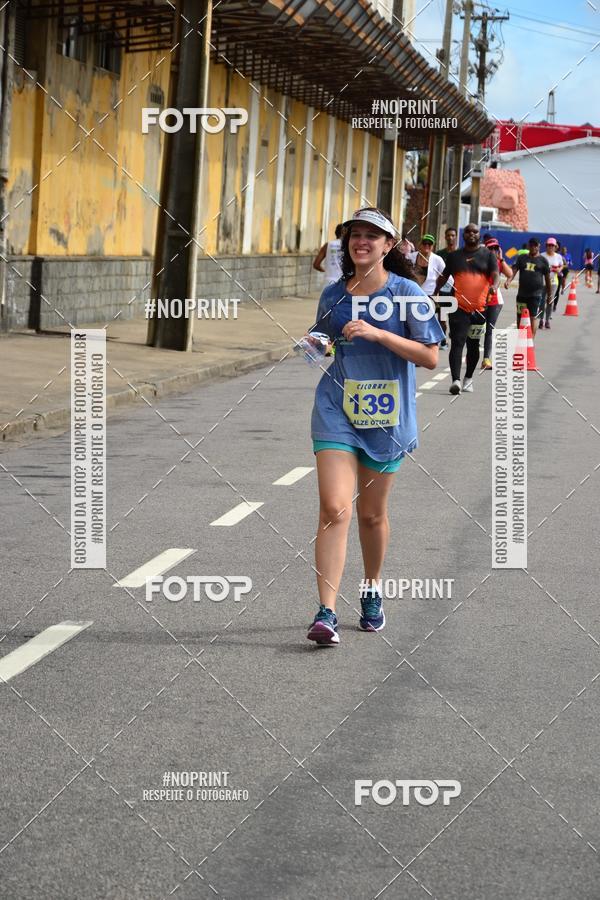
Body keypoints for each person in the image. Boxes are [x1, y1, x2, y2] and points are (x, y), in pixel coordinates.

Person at [305, 207, 444, 645]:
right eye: (354, 235)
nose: (360, 241)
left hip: (386, 416)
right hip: (337, 408)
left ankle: (371, 589)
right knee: (334, 508)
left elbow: (429, 356)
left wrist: (379, 334)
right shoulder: (333, 295)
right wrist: (315, 343)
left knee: (371, 514)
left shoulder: (408, 294)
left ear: (389, 245)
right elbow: (324, 340)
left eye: (372, 235)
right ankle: (326, 612)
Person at [434, 223, 498, 395]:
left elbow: (495, 274)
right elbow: (444, 276)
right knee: (457, 343)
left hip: (480, 310)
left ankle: (468, 378)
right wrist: (434, 294)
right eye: (468, 232)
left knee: (473, 345)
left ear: (479, 234)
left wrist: (495, 286)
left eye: (475, 232)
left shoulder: (488, 255)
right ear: (464, 235)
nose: (471, 234)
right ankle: (455, 380)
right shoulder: (455, 256)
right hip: (459, 308)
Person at [506, 237, 552, 338]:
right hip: (522, 294)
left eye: (535, 245)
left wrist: (549, 295)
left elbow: (548, 280)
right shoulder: (522, 258)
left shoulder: (543, 261)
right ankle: (520, 339)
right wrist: (509, 280)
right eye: (531, 245)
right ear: (528, 246)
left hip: (536, 295)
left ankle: (530, 342)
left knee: (532, 318)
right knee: (520, 318)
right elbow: (514, 271)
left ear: (539, 246)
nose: (533, 247)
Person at [481, 238, 512, 369]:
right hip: (479, 300)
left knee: (490, 329)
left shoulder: (499, 262)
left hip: (494, 302)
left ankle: (486, 359)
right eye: (491, 248)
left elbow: (510, 273)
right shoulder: (479, 261)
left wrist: (502, 258)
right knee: (474, 329)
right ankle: (472, 354)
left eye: (495, 248)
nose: (493, 251)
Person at [433, 227, 457, 349]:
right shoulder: (439, 254)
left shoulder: (460, 254)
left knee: (453, 319)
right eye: (448, 235)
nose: (450, 238)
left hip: (456, 292)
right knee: (442, 317)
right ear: (445, 237)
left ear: (456, 237)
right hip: (442, 290)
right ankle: (443, 341)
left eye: (453, 235)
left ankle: (454, 337)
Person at [540, 238, 564, 328]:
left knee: (550, 301)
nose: (550, 247)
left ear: (555, 247)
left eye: (552, 245)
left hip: (553, 282)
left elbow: (562, 265)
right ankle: (541, 320)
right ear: (546, 246)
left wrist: (559, 270)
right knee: (542, 301)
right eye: (549, 245)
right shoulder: (542, 256)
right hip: (542, 282)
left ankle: (547, 320)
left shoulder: (558, 256)